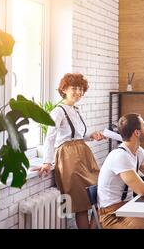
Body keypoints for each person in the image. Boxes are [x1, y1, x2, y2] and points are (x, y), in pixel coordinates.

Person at [35, 73, 105, 229]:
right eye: (74, 88)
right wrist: (47, 162)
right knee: (81, 204)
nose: (78, 92)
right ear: (64, 89)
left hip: (84, 155)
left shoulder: (76, 110)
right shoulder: (58, 111)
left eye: (81, 89)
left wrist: (91, 136)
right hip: (69, 159)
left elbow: (76, 136)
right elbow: (50, 138)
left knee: (101, 193)